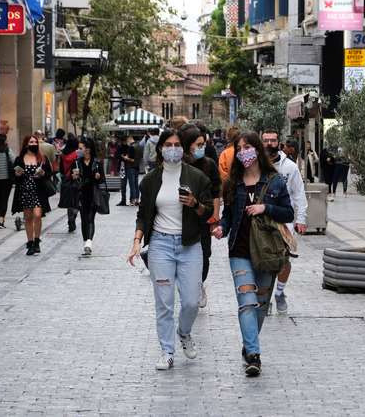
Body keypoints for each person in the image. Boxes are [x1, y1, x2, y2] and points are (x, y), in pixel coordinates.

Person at [126, 129, 213, 371]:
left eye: (177, 145)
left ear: (183, 149)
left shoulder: (197, 177)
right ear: (161, 148)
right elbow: (143, 214)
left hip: (189, 245)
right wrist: (136, 241)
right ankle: (167, 351)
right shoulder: (150, 180)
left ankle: (184, 332)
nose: (173, 149)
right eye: (168, 144)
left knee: (192, 302)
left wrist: (195, 203)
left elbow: (207, 212)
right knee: (164, 302)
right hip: (161, 245)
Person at [212, 131, 294, 377]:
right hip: (240, 250)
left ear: (257, 149)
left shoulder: (275, 181)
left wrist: (265, 207)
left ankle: (249, 343)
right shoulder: (232, 183)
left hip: (267, 251)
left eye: (247, 147)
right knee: (247, 302)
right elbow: (228, 216)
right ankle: (254, 355)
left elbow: (288, 213)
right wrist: (222, 228)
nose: (243, 152)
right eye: (239, 148)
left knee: (260, 305)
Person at [261, 129, 307, 314]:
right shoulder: (255, 165)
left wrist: (301, 219)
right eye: (266, 140)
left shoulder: (290, 167)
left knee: (284, 260)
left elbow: (299, 193)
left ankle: (279, 292)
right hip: (261, 221)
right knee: (263, 260)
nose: (269, 144)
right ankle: (265, 296)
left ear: (278, 143)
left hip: (284, 221)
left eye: (272, 140)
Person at [180, 126, 222, 308]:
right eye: (198, 144)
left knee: (205, 254)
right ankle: (189, 286)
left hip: (204, 216)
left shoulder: (209, 164)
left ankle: (199, 283)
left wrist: (215, 216)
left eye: (203, 144)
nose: (201, 148)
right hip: (182, 218)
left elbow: (216, 191)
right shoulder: (179, 164)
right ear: (187, 145)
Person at [11, 135, 53, 256]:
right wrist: (17, 175)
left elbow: (49, 173)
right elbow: (14, 177)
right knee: (28, 217)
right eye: (31, 142)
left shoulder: (42, 158)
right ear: (26, 144)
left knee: (38, 215)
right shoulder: (19, 159)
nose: (34, 144)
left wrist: (43, 174)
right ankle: (30, 243)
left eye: (35, 142)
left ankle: (37, 240)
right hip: (25, 191)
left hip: (38, 191)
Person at [70, 137, 106, 255]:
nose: (78, 151)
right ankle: (85, 241)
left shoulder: (97, 162)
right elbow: (70, 178)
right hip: (80, 194)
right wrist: (73, 176)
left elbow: (102, 180)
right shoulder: (76, 162)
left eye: (80, 148)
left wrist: (98, 177)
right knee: (83, 219)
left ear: (88, 149)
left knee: (90, 218)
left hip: (93, 193)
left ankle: (89, 242)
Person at [60, 136, 80, 232]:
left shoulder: (63, 155)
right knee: (77, 202)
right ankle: (73, 217)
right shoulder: (76, 154)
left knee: (69, 203)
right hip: (76, 180)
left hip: (66, 181)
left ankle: (70, 219)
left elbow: (61, 169)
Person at [116, 135, 138, 206]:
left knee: (129, 184)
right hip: (124, 167)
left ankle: (130, 200)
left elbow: (132, 157)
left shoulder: (130, 147)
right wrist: (123, 157)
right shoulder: (121, 147)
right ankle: (125, 200)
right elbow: (117, 155)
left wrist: (123, 157)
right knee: (126, 184)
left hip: (128, 167)